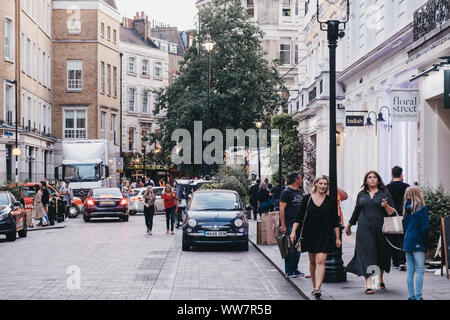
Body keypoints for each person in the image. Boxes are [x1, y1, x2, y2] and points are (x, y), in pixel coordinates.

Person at [345, 171, 397, 295]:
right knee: (368, 254)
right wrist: (349, 224)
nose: (372, 179)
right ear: (366, 181)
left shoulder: (385, 193)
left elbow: (393, 213)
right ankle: (369, 283)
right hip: (364, 229)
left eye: (374, 177)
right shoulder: (361, 194)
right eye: (370, 177)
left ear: (378, 180)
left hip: (381, 229)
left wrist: (386, 206)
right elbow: (356, 211)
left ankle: (380, 278)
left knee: (381, 253)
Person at [290, 175, 341, 299]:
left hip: (325, 234)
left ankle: (318, 288)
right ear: (316, 184)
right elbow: (299, 216)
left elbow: (335, 221)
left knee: (320, 260)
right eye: (321, 183)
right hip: (310, 233)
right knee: (313, 261)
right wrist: (293, 232)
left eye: (325, 184)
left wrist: (338, 237)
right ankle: (314, 286)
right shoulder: (307, 198)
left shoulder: (330, 201)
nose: (323, 186)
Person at [402, 186, 429, 300]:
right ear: (418, 194)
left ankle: (411, 296)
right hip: (418, 241)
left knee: (410, 270)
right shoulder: (422, 209)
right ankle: (418, 296)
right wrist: (425, 243)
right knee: (419, 270)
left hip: (407, 241)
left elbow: (404, 227)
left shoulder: (405, 210)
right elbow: (424, 227)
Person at [279, 171, 305, 278]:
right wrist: (283, 225)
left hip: (299, 224)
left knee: (298, 247)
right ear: (295, 179)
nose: (302, 180)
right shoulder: (286, 192)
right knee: (290, 247)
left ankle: (295, 269)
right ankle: (289, 270)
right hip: (289, 223)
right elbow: (282, 209)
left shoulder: (300, 191)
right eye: (300, 178)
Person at [386, 166, 410, 271]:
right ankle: (402, 261)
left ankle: (395, 261)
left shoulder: (387, 187)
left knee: (393, 238)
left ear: (392, 174)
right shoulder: (407, 187)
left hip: (391, 215)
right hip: (404, 215)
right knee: (403, 238)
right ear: (401, 174)